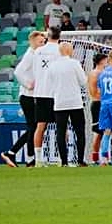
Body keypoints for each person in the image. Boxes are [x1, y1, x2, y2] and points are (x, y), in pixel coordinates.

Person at [0, 30, 45, 167]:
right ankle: (25, 157)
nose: (42, 44)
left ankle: (16, 154)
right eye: (40, 41)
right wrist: (28, 84)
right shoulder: (30, 55)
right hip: (27, 96)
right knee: (34, 127)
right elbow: (18, 72)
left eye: (43, 41)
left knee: (33, 127)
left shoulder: (36, 54)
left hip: (31, 96)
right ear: (33, 41)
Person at [50, 42, 88, 167]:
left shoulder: (53, 66)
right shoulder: (74, 63)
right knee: (79, 131)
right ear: (69, 51)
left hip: (60, 102)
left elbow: (51, 83)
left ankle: (64, 162)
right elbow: (83, 81)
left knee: (60, 132)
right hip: (75, 102)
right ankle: (80, 160)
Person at [31, 27, 63, 167]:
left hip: (41, 92)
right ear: (59, 36)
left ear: (47, 36)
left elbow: (34, 71)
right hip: (56, 93)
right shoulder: (61, 51)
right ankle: (62, 158)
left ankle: (38, 159)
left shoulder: (38, 51)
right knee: (61, 127)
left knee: (40, 126)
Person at [86, 52, 106, 165]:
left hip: (100, 103)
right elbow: (94, 92)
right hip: (98, 103)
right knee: (99, 132)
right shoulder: (96, 73)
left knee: (103, 132)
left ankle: (101, 157)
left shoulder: (98, 73)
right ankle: (95, 158)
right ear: (102, 61)